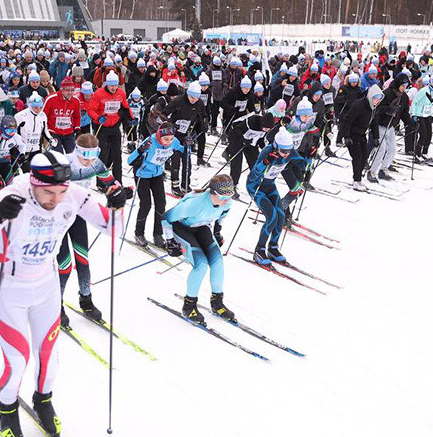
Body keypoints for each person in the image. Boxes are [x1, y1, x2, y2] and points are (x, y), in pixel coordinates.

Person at [0, 150, 128, 437]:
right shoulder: (11, 196)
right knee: (17, 359)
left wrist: (117, 206)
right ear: (33, 183)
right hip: (7, 287)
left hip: (45, 284)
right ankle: (7, 409)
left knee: (49, 354)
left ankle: (42, 400)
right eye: (48, 192)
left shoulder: (73, 194)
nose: (55, 199)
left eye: (60, 192)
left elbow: (114, 232)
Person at [58, 134, 116, 327]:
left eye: (93, 156)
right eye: (85, 157)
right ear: (77, 151)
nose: (89, 161)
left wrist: (119, 193)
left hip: (79, 214)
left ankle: (86, 299)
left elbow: (110, 182)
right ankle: (56, 304)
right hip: (58, 219)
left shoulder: (96, 163)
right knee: (64, 266)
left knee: (83, 260)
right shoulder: (64, 163)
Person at [162, 174, 235, 323]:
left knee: (217, 262)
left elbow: (223, 214)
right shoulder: (194, 204)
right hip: (181, 228)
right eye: (223, 197)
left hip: (201, 227)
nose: (226, 200)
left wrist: (217, 232)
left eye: (230, 196)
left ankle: (217, 302)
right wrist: (170, 241)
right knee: (201, 264)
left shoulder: (226, 202)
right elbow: (166, 217)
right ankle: (189, 306)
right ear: (212, 192)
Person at [246, 127, 303, 264]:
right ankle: (259, 250)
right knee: (271, 216)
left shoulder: (289, 152)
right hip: (256, 187)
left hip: (270, 185)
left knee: (281, 215)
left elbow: (301, 162)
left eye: (288, 151)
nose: (286, 154)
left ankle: (273, 248)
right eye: (283, 151)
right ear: (276, 146)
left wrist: (309, 158)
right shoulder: (267, 151)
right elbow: (253, 176)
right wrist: (265, 162)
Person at [128, 122, 183, 247]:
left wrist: (187, 145)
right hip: (142, 174)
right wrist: (141, 150)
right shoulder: (150, 141)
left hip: (157, 174)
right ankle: (139, 233)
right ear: (159, 135)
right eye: (166, 139)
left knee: (161, 203)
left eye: (171, 139)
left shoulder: (173, 142)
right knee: (146, 204)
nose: (169, 142)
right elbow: (130, 160)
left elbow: (182, 150)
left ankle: (158, 234)